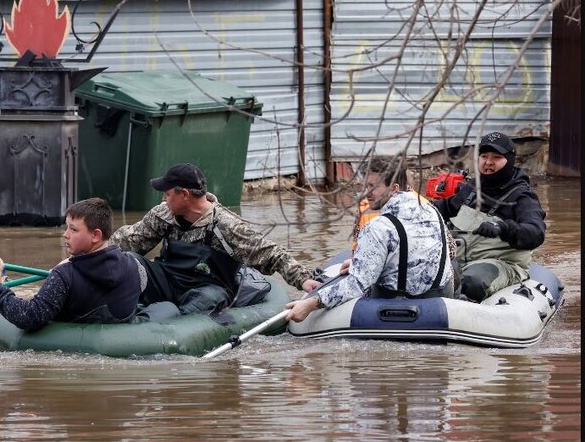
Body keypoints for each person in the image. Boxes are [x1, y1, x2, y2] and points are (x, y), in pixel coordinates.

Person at [110, 163, 319, 317]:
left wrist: (304, 279)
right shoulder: (162, 215)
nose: (163, 199)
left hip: (208, 287)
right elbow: (128, 240)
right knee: (128, 260)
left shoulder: (227, 225)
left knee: (206, 299)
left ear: (184, 194)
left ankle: (174, 325)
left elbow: (270, 252)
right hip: (167, 279)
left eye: (167, 194)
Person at [285, 154, 453, 322]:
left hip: (395, 311)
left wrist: (309, 304)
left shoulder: (377, 227)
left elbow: (355, 286)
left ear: (394, 189)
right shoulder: (432, 211)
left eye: (372, 186)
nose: (366, 193)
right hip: (437, 305)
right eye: (365, 186)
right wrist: (365, 263)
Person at [0, 197, 144, 330]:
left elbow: (29, 317)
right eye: (66, 227)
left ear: (96, 235)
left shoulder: (64, 276)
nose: (65, 234)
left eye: (73, 230)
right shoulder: (134, 265)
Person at [431, 131, 546, 302]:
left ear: (510, 160)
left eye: (496, 157)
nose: (488, 162)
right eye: (484, 156)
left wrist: (502, 228)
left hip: (502, 264)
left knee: (471, 281)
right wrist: (416, 208)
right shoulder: (471, 190)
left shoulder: (522, 197)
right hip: (459, 262)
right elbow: (443, 208)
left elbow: (535, 233)